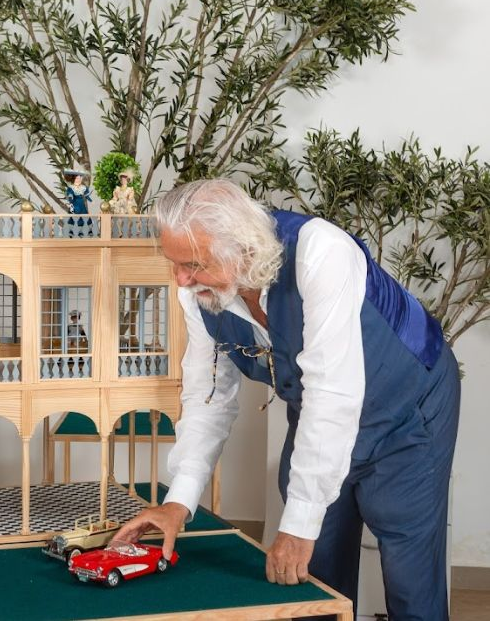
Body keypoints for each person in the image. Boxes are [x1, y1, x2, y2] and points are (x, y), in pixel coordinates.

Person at [113, 179, 459, 620]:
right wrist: (178, 501)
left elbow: (334, 394)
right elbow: (208, 397)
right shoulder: (196, 293)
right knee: (311, 577)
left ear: (242, 249)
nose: (180, 279)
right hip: (317, 411)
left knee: (409, 575)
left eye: (193, 264)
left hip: (407, 407)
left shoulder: (321, 252)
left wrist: (297, 526)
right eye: (174, 262)